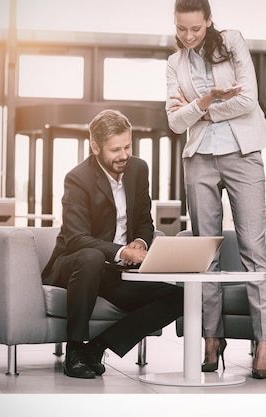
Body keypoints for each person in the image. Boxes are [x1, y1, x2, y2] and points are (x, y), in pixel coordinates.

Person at [165, 0, 266, 379]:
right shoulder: (174, 64)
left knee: (253, 249)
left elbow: (248, 100)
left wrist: (199, 107)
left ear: (209, 21)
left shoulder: (232, 42)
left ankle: (262, 345)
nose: (188, 36)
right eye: (181, 29)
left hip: (243, 155)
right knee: (205, 252)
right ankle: (212, 339)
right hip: (198, 159)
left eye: (195, 28)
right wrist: (209, 99)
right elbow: (175, 122)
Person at [42, 109, 183, 379]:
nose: (123, 155)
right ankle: (75, 350)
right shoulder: (77, 178)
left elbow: (144, 221)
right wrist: (121, 251)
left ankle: (96, 348)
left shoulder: (138, 169)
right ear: (95, 147)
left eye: (128, 146)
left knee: (181, 296)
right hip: (74, 267)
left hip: (114, 274)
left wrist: (140, 243)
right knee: (92, 256)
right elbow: (76, 238)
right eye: (115, 149)